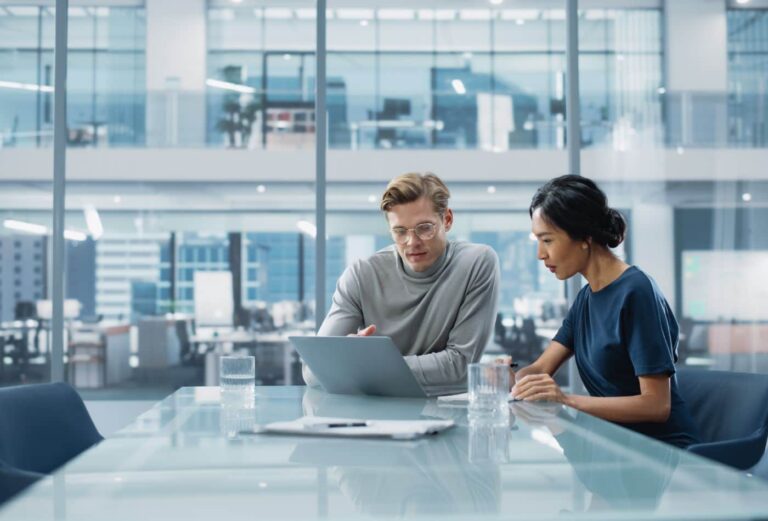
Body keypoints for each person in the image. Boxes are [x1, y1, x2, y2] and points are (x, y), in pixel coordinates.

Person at [508, 175, 699, 448]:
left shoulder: (636, 292)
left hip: (661, 451)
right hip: (612, 442)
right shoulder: (586, 298)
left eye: (547, 240)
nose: (540, 254)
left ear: (584, 237)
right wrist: (515, 378)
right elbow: (541, 367)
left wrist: (565, 399)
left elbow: (656, 405)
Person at [304, 172, 500, 396]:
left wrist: (359, 365)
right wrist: (354, 360)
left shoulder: (476, 262)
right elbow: (312, 370)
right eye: (399, 232)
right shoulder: (361, 274)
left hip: (446, 411)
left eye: (425, 228)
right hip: (374, 418)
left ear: (447, 219)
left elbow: (459, 365)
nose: (412, 242)